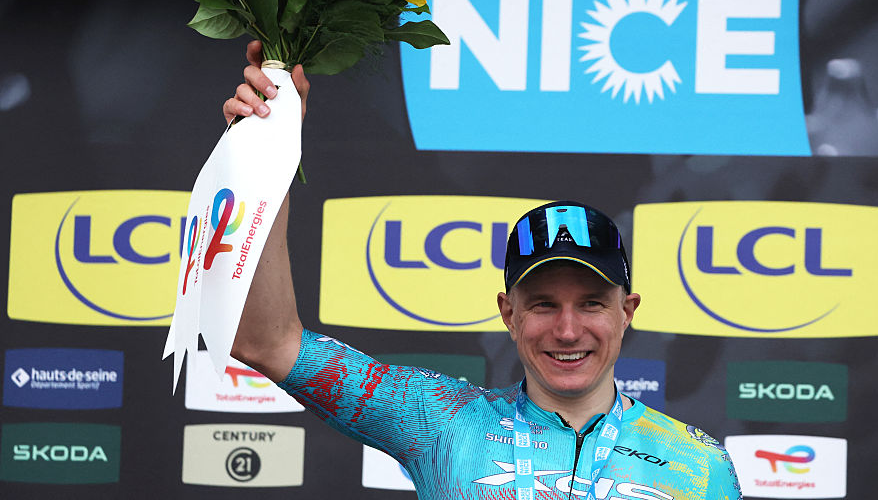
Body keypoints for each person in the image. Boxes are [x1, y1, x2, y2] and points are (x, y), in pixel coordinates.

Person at [226, 42, 742, 500]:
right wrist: (268, 152)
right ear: (508, 313)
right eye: (543, 303)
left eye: (590, 302)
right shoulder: (439, 421)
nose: (567, 330)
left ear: (626, 312)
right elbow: (266, 341)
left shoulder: (701, 468)